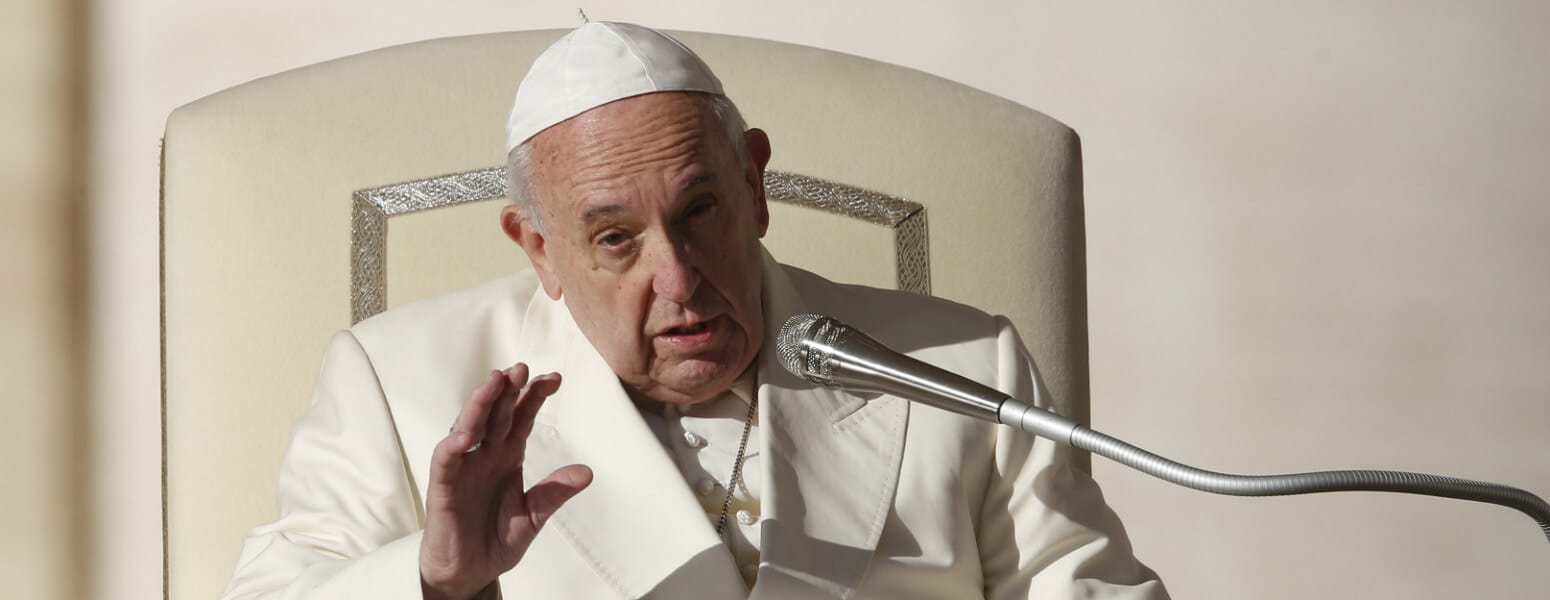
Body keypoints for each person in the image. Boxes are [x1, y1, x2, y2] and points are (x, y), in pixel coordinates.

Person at [223, 21, 1168, 600]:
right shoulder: (400, 383)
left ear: (755, 183)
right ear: (539, 250)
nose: (677, 279)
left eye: (700, 213)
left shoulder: (964, 365)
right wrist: (432, 583)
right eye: (615, 239)